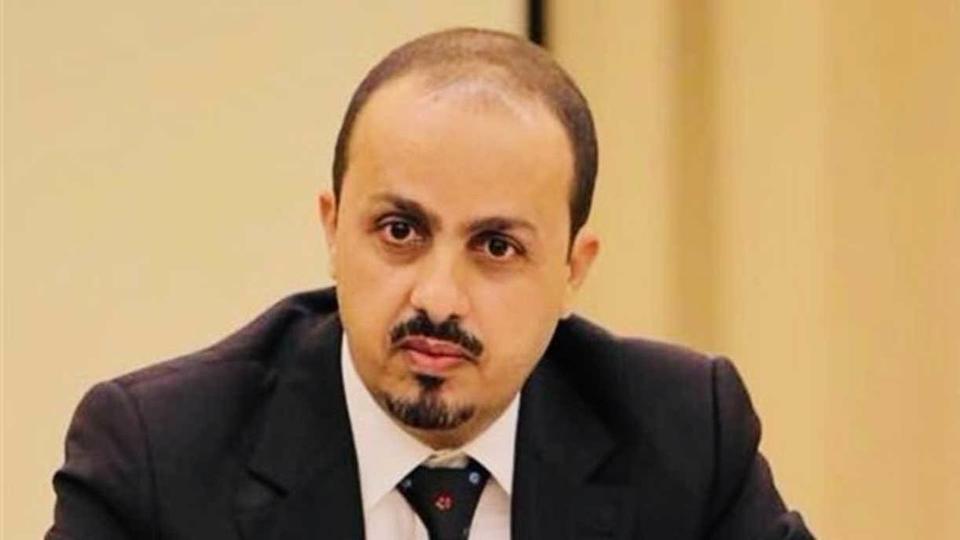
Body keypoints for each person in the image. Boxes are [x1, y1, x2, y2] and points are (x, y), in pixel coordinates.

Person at [47, 28, 813, 540]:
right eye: (400, 232)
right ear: (332, 229)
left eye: (496, 246)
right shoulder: (158, 456)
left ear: (572, 270)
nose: (438, 297)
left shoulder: (685, 438)